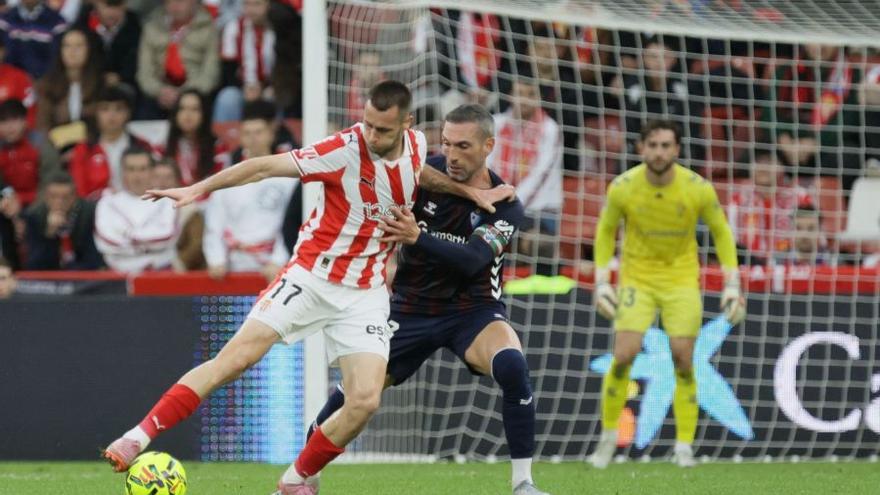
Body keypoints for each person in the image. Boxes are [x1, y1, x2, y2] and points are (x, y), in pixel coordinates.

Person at [101, 80, 514, 495]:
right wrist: (199, 187)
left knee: (365, 400)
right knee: (235, 360)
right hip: (312, 275)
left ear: (406, 125)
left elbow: (419, 173)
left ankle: (295, 480)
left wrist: (471, 194)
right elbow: (263, 166)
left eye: (383, 130)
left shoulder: (418, 146)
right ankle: (137, 436)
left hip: (365, 292)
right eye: (367, 124)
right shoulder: (344, 149)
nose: (371, 136)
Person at [306, 104, 548, 495]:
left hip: (474, 309)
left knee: (512, 365)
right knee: (354, 395)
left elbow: (473, 259)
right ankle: (303, 477)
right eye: (447, 144)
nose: (451, 155)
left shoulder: (505, 204)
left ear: (488, 145)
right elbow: (385, 167)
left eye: (463, 146)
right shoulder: (420, 176)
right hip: (410, 307)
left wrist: (418, 237)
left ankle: (523, 483)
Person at [589, 119, 745, 469]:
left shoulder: (697, 188)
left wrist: (732, 282)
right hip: (637, 281)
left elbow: (721, 233)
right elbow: (604, 233)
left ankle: (684, 446)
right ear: (640, 148)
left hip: (681, 281)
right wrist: (602, 281)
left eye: (666, 145)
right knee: (624, 354)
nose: (659, 152)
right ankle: (609, 437)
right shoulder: (623, 187)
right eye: (653, 145)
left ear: (677, 149)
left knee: (684, 359)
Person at [203, 101, 295, 281]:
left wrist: (279, 260)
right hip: (234, 265)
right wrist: (216, 259)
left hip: (277, 266)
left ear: (271, 134)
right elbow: (215, 223)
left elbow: (293, 223)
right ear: (241, 137)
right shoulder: (227, 178)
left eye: (259, 132)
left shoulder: (289, 177)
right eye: (247, 133)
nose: (253, 138)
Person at [93, 146, 178, 272]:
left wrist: (127, 236)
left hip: (159, 273)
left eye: (142, 169)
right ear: (122, 172)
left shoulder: (167, 200)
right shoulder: (107, 202)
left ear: (152, 171)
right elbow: (106, 242)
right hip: (118, 277)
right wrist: (146, 244)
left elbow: (166, 237)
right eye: (131, 169)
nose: (137, 175)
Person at [68, 85, 152, 198]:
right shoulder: (84, 149)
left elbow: (154, 184)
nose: (112, 115)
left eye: (119, 109)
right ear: (96, 113)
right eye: (105, 109)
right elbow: (79, 191)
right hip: (96, 210)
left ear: (128, 113)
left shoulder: (143, 146)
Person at [23, 171, 103, 270]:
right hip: (49, 279)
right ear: (45, 196)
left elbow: (93, 260)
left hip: (81, 278)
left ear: (74, 197)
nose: (59, 202)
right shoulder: (34, 216)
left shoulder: (89, 214)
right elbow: (35, 265)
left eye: (65, 197)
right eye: (53, 196)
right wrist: (49, 233)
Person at [35, 27, 104, 133]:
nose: (72, 51)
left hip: (93, 146)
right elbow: (43, 127)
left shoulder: (101, 83)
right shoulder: (46, 85)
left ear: (89, 49)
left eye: (79, 46)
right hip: (56, 146)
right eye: (67, 46)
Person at [0, 98, 61, 207]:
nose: (9, 127)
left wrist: (31, 212)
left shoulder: (41, 145)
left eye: (14, 120)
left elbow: (51, 184)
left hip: (40, 206)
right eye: (3, 121)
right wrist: (8, 202)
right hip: (8, 205)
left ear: (25, 121)